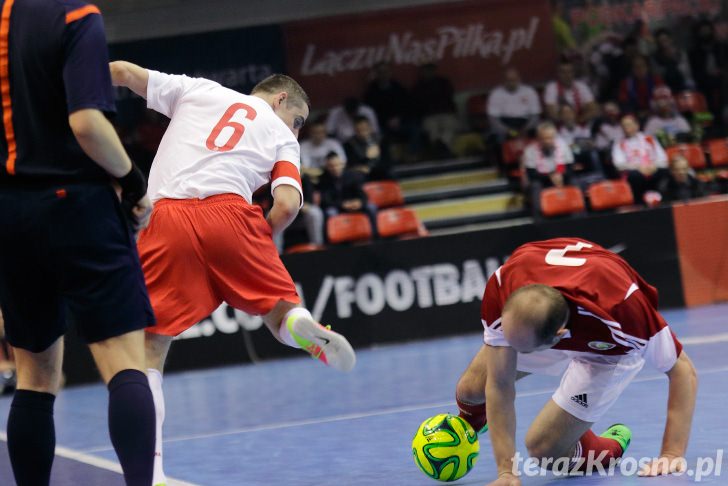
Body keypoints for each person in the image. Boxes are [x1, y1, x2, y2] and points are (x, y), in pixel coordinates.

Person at [110, 61, 356, 486]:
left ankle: (151, 474)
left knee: (149, 353)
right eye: (297, 120)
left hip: (165, 215)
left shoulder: (199, 88)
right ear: (280, 98)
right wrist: (255, 237)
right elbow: (287, 206)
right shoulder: (282, 137)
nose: (295, 130)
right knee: (280, 311)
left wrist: (67, 79)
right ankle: (299, 324)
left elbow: (124, 73)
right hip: (231, 212)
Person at [0, 2, 157, 485]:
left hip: (11, 214)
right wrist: (133, 181)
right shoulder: (74, 14)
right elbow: (87, 123)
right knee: (123, 364)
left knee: (34, 377)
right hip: (80, 208)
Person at [455, 238, 697, 486]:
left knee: (545, 451)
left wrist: (671, 454)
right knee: (471, 389)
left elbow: (682, 371)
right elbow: (500, 383)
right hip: (546, 325)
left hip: (607, 350)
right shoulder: (501, 285)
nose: (509, 351)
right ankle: (467, 432)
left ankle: (607, 447)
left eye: (518, 347)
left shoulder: (623, 309)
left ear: (560, 336)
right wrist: (506, 472)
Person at [317, 152, 378, 237]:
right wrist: (342, 204)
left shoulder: (352, 175)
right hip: (338, 207)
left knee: (371, 207)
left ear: (342, 164)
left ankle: (375, 236)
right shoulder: (323, 180)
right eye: (331, 166)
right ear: (327, 167)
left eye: (337, 165)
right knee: (330, 213)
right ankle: (336, 238)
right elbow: (326, 201)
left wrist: (360, 202)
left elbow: (363, 195)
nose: (335, 168)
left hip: (354, 205)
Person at [612, 115, 669, 203]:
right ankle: (639, 204)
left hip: (653, 169)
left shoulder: (649, 139)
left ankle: (665, 201)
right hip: (634, 173)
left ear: (637, 125)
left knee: (665, 172)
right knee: (635, 176)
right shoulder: (619, 143)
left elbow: (663, 158)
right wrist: (639, 167)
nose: (627, 128)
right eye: (624, 126)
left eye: (629, 125)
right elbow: (619, 165)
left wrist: (654, 165)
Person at [521, 122, 574, 217]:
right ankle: (540, 220)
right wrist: (550, 176)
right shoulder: (530, 150)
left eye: (550, 138)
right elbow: (531, 174)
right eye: (544, 138)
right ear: (538, 138)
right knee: (535, 186)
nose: (547, 141)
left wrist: (560, 175)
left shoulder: (563, 146)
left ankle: (577, 215)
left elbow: (569, 168)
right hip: (542, 181)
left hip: (561, 177)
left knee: (574, 181)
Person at [411, 63, 460, 155]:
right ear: (422, 71)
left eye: (430, 69)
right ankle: (442, 150)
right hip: (429, 116)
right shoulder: (418, 87)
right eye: (426, 69)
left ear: (434, 70)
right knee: (432, 130)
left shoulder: (443, 82)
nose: (428, 72)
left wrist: (454, 112)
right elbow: (416, 107)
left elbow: (450, 99)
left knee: (450, 126)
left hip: (446, 113)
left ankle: (442, 146)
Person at [486, 68, 542, 140]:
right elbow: (493, 121)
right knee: (496, 136)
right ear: (503, 80)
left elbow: (535, 117)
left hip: (525, 124)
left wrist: (524, 130)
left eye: (513, 80)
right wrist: (510, 132)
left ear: (519, 79)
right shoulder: (495, 94)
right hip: (504, 125)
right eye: (508, 80)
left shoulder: (529, 92)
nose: (511, 83)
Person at [544, 60, 599, 124]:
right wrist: (567, 121)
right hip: (559, 125)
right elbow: (551, 112)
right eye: (563, 72)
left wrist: (578, 121)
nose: (567, 75)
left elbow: (593, 109)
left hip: (580, 122)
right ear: (558, 74)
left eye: (570, 72)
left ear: (573, 73)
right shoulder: (552, 87)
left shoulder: (582, 86)